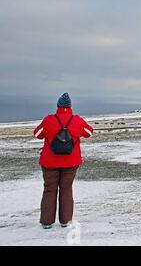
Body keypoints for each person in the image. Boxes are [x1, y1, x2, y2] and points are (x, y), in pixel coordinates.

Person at [33, 93, 94, 229]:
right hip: (71, 162)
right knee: (66, 189)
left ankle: (47, 222)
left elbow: (37, 134)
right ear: (70, 106)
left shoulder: (49, 120)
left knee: (49, 189)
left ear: (58, 106)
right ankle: (65, 221)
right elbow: (89, 132)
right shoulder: (77, 120)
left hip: (49, 162)